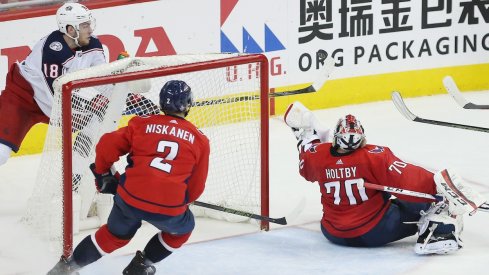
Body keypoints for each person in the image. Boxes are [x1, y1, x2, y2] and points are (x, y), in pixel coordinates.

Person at [47, 80, 210, 275]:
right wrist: (184, 202)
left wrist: (103, 173)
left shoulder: (142, 123)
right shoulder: (200, 140)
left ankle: (66, 268)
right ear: (189, 104)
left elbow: (106, 144)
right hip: (169, 206)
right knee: (181, 231)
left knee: (114, 235)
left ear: (161, 103)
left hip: (130, 198)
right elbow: (196, 186)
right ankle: (140, 266)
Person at [284, 101, 486, 255]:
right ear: (362, 138)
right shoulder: (374, 157)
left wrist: (309, 139)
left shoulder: (316, 156)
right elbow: (409, 179)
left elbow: (306, 165)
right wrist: (438, 189)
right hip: (372, 233)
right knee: (436, 205)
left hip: (332, 232)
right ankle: (437, 234)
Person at [0, 2, 105, 166]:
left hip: (54, 103)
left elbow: (103, 79)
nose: (90, 30)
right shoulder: (53, 51)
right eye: (84, 25)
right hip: (23, 98)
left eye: (89, 24)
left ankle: (76, 168)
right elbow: (57, 98)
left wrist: (124, 91)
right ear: (71, 30)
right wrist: (92, 103)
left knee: (97, 119)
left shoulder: (93, 45)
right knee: (1, 153)